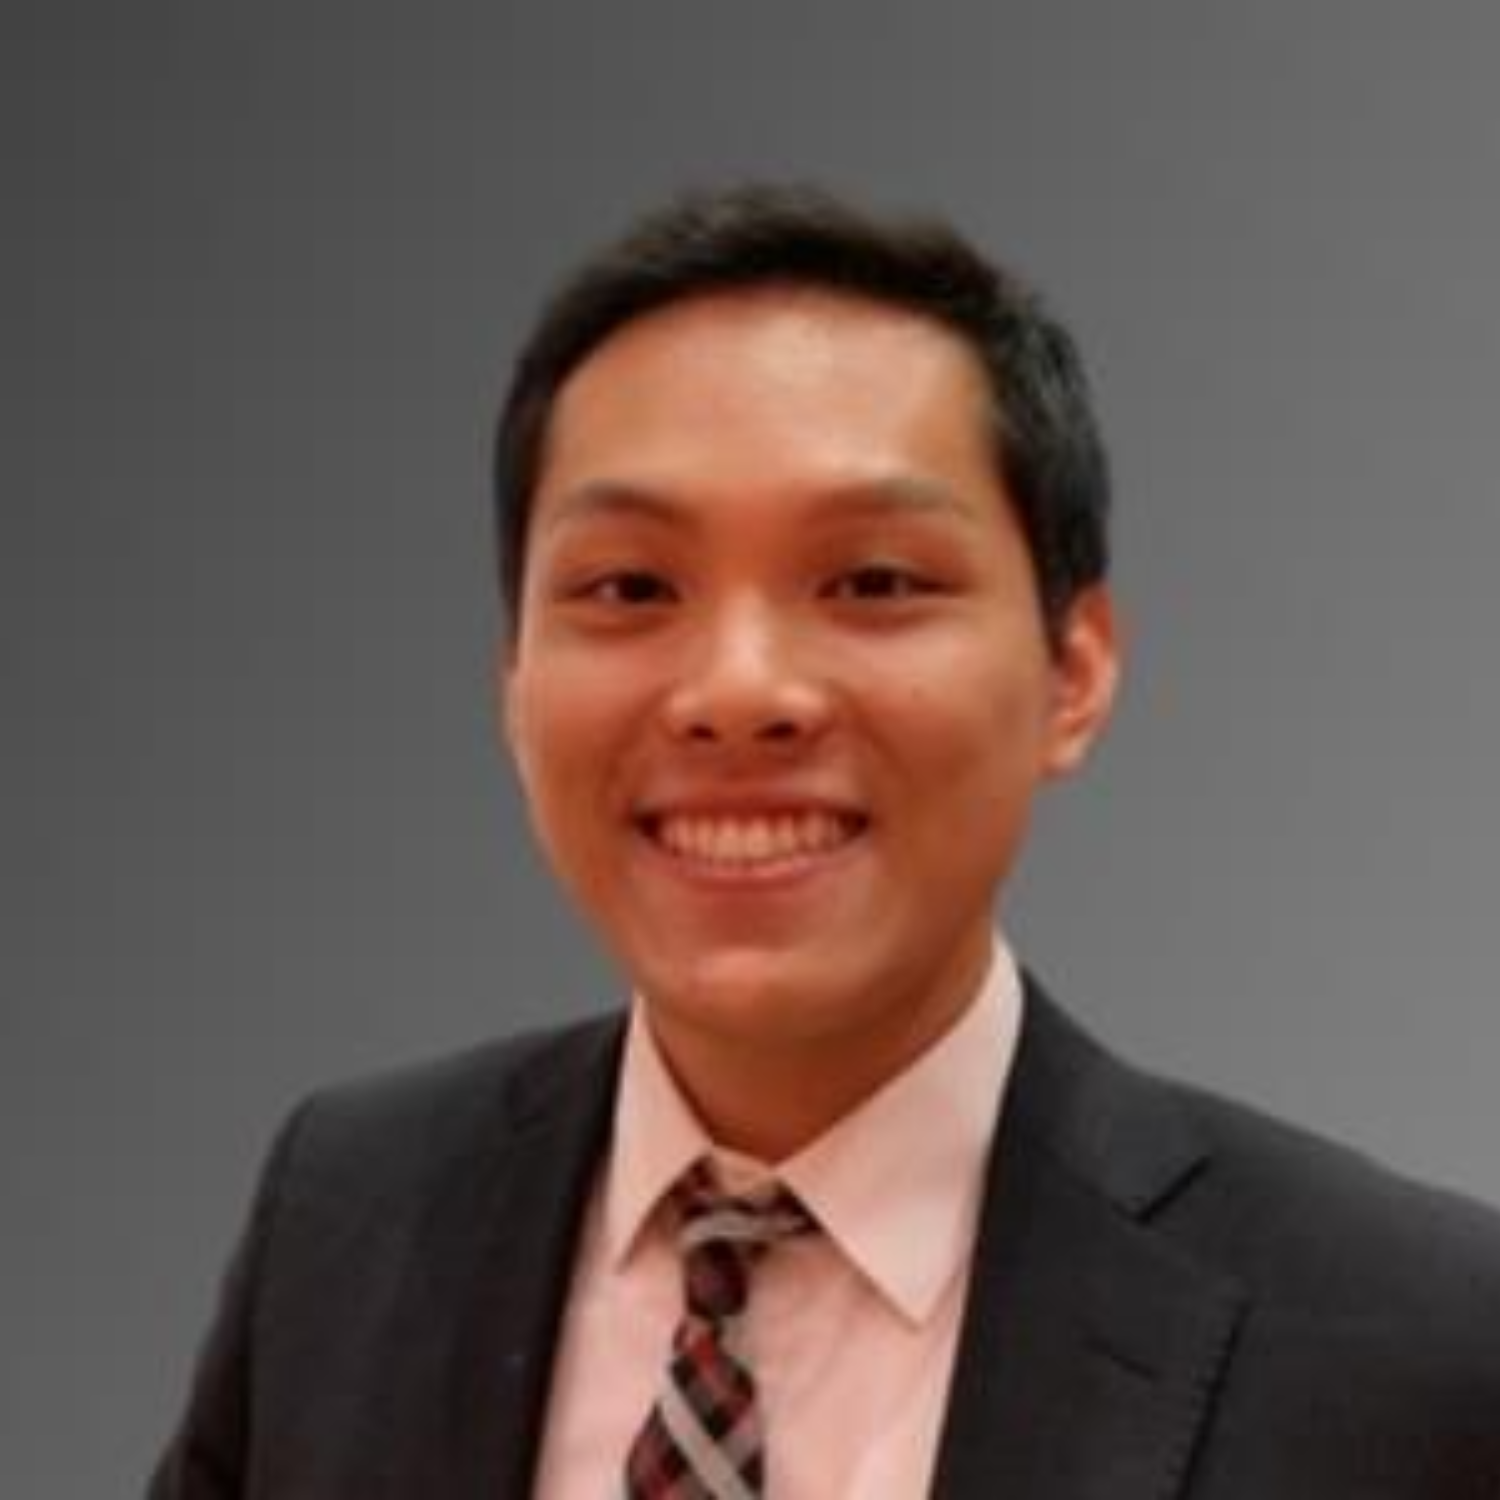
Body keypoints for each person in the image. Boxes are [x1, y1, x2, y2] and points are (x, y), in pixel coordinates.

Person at [151, 183, 1500, 1499]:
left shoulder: (1425, 1347)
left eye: (873, 582)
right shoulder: (350, 1207)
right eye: (630, 587)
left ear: (1073, 670)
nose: (739, 691)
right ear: (514, 678)